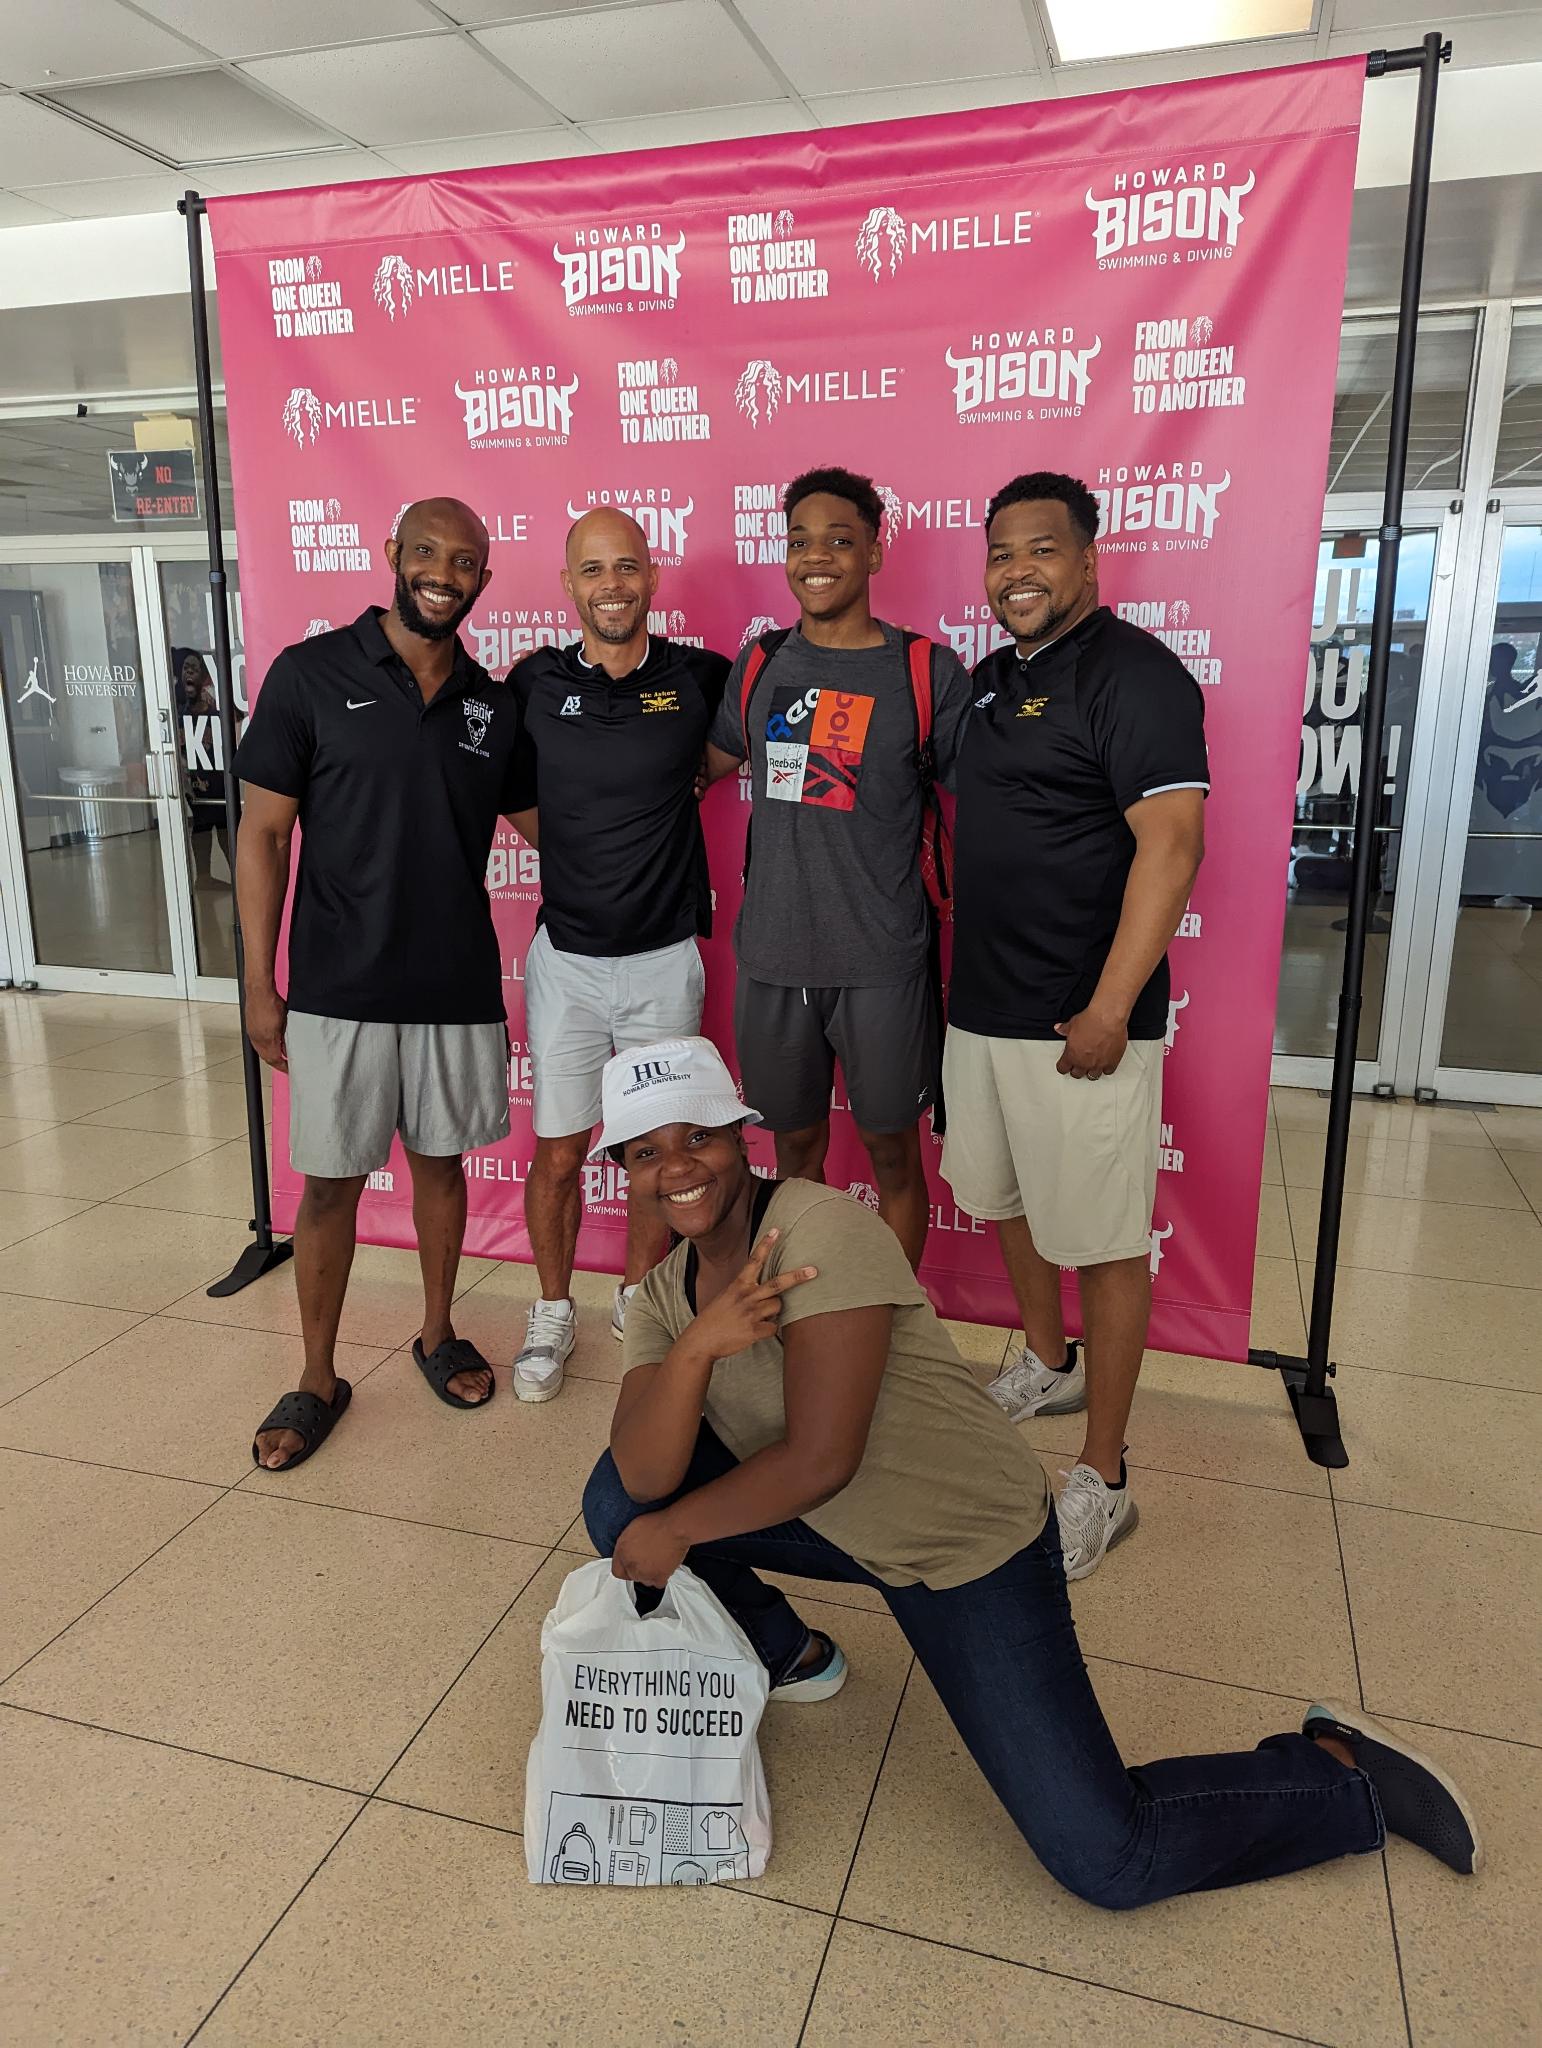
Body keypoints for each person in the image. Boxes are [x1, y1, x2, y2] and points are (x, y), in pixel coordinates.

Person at [582, 1035, 1481, 1910]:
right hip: (848, 1528)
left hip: (967, 1546)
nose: (679, 1167)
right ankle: (790, 1653)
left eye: (697, 1136)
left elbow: (823, 1458)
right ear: (627, 1169)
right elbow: (643, 1465)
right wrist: (698, 1348)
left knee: (1107, 1857)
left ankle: (1340, 1773)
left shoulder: (816, 1230)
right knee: (622, 1499)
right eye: (649, 1151)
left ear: (742, 1136)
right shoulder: (667, 1296)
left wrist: (679, 1528)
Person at [940, 470, 1209, 1579]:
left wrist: (1108, 1007)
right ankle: (1047, 1361)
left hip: (1081, 1021)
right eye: (1002, 553)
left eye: (1042, 550)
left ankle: (1105, 1473)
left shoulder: (1138, 675)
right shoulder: (992, 680)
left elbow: (1173, 844)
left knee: (1100, 1237)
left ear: (1090, 560)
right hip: (982, 1009)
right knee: (1002, 1200)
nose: (1018, 572)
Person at [236, 498, 525, 1470]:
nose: (445, 571)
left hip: (453, 985)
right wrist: (256, 982)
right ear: (393, 554)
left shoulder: (493, 703)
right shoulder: (310, 675)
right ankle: (316, 1375)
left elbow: (557, 826)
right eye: (429, 552)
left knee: (443, 1169)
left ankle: (437, 1332)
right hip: (335, 990)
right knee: (328, 1186)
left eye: (466, 560)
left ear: (484, 579)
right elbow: (263, 833)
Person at [703, 466, 970, 1269]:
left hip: (883, 964)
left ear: (875, 553)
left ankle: (889, 1325)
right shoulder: (760, 665)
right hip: (775, 961)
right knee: (795, 1160)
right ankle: (804, 1319)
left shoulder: (926, 672)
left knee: (895, 1158)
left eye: (839, 540)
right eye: (799, 541)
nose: (816, 557)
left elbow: (998, 805)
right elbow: (693, 772)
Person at [502, 508, 729, 1400]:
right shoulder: (532, 682)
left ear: (651, 577)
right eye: (593, 570)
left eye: (626, 567)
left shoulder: (702, 677)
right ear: (569, 585)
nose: (612, 586)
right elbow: (514, 796)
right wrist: (581, 854)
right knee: (559, 1153)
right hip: (568, 963)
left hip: (664, 961)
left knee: (657, 1149)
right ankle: (552, 1312)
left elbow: (715, 768)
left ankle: (639, 1300)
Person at [171, 647, 230, 885]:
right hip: (194, 779)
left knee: (225, 824)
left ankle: (237, 877)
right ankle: (204, 877)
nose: (190, 673)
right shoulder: (178, 710)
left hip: (217, 777)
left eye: (195, 668)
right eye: (187, 668)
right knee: (204, 822)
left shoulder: (215, 710)